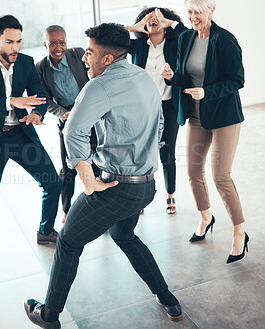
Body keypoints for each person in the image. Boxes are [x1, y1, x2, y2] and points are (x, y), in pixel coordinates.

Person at [24, 23, 182, 328]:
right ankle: (168, 299)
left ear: (107, 59)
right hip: (147, 186)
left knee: (68, 241)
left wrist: (85, 174)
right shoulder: (144, 78)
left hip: (116, 188)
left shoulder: (99, 86)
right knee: (125, 235)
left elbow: (73, 130)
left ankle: (49, 315)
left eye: (90, 52)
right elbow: (161, 127)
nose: (85, 58)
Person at [0, 15, 62, 283]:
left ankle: (45, 230)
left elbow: (38, 97)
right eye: (9, 42)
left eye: (18, 41)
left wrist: (37, 114)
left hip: (19, 134)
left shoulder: (26, 63)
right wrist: (11, 101)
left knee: (53, 184)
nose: (15, 47)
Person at [160, 0, 248, 263]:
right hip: (196, 115)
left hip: (224, 116)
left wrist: (207, 92)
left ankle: (239, 232)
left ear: (212, 11)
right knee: (192, 172)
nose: (193, 17)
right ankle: (205, 217)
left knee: (221, 176)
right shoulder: (186, 38)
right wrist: (170, 77)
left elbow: (237, 80)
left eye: (198, 12)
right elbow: (184, 77)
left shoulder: (225, 40)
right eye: (189, 12)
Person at [127, 7, 188, 214]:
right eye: (149, 18)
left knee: (167, 152)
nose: (153, 21)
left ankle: (170, 194)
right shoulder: (136, 46)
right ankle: (140, 198)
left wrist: (169, 23)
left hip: (168, 106)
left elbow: (190, 35)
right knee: (142, 153)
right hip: (143, 108)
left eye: (158, 18)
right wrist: (133, 27)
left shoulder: (176, 43)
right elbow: (109, 39)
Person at [36, 25, 99, 224]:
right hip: (66, 117)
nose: (58, 47)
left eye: (61, 42)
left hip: (87, 111)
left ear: (66, 42)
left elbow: (93, 75)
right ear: (45, 44)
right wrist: (63, 113)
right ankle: (67, 209)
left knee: (96, 160)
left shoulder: (78, 54)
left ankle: (100, 209)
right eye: (52, 43)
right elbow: (45, 100)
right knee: (68, 167)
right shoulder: (40, 68)